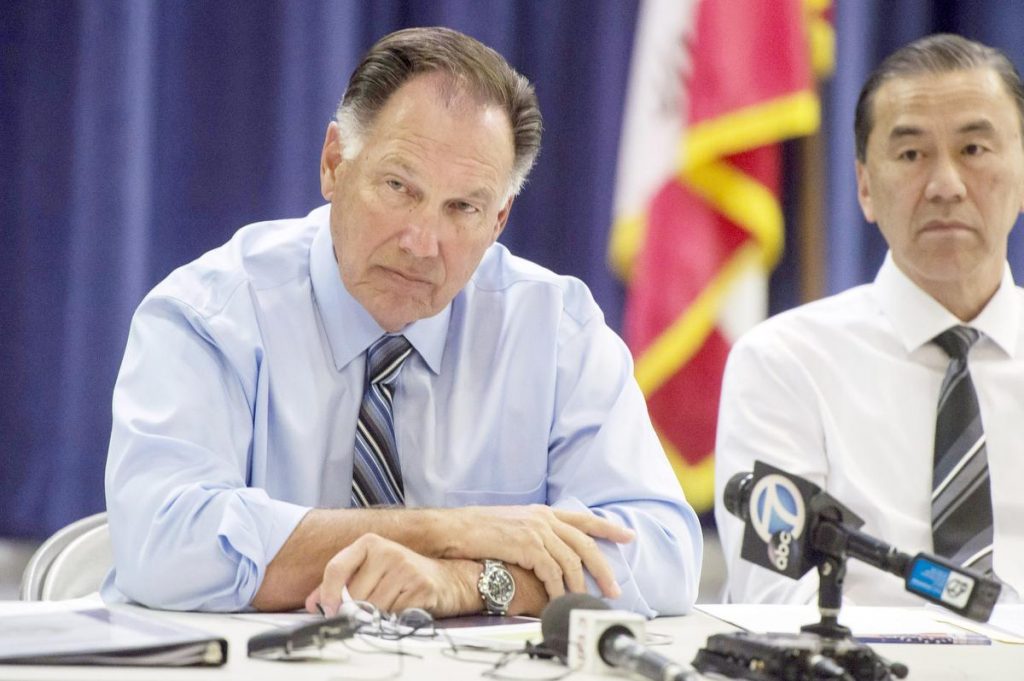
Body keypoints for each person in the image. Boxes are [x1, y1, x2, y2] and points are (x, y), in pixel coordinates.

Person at [103, 26, 702, 618]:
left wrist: (467, 582)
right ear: (335, 163)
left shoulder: (554, 331)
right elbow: (163, 544)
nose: (422, 243)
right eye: (398, 187)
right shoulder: (210, 313)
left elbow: (663, 556)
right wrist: (448, 531)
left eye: (462, 208)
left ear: (499, 219)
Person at [715, 33, 1024, 606]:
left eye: (974, 150)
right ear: (863, 186)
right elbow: (775, 599)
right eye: (911, 155)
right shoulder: (784, 363)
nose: (945, 186)